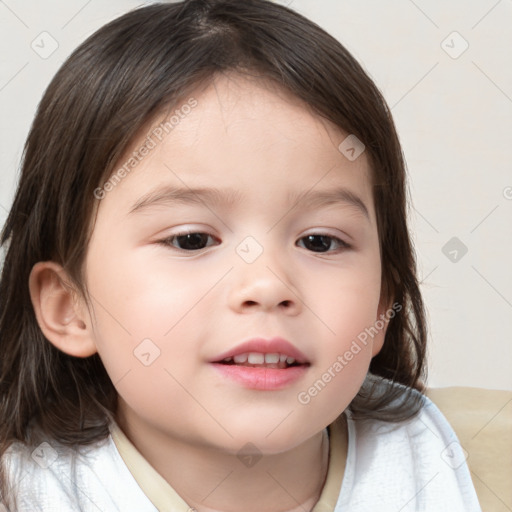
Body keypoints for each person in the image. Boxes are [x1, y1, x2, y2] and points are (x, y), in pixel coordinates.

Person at [0, 0, 481, 510]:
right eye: (191, 239)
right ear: (69, 307)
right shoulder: (29, 492)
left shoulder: (428, 459)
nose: (268, 284)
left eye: (319, 241)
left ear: (383, 301)